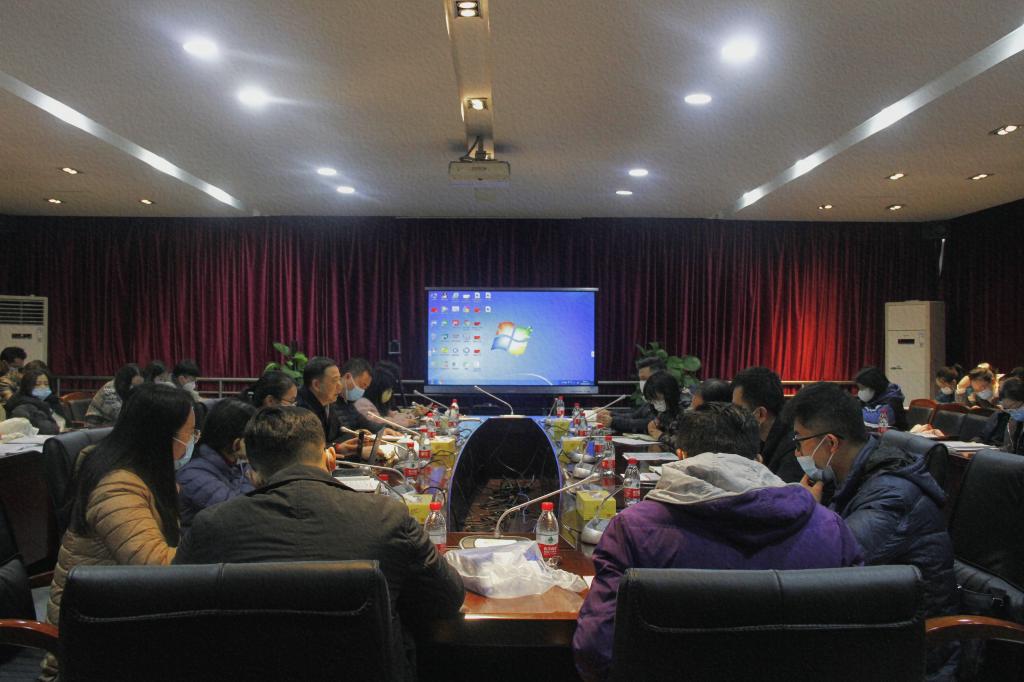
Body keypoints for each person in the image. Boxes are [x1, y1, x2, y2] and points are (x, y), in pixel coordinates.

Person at [573, 402, 863, 681]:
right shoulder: (831, 528)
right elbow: (860, 639)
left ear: (681, 456)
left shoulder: (632, 530)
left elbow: (595, 649)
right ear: (757, 459)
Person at [173, 406, 465, 677]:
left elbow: (177, 615)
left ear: (252, 474)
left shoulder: (212, 526)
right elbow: (447, 599)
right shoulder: (387, 517)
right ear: (329, 458)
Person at [784, 382, 957, 678]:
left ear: (831, 443)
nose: (797, 450)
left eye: (800, 440)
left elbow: (833, 564)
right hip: (875, 621)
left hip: (911, 650)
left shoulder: (891, 495)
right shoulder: (853, 475)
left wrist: (808, 511)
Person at [40, 384, 193, 681]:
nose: (191, 442)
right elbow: (157, 568)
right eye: (189, 434)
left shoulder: (141, 473)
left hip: (118, 618)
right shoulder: (116, 487)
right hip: (87, 647)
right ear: (161, 436)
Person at [176, 398, 257, 527]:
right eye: (253, 440)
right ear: (236, 444)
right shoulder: (193, 475)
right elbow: (239, 513)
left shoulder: (235, 462)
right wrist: (253, 478)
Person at [731, 366, 803, 482]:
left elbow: (782, 491)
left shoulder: (794, 448)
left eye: (737, 409)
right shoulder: (755, 436)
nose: (732, 415)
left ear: (760, 414)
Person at [595, 357, 664, 433]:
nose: (642, 383)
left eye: (644, 379)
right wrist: (610, 414)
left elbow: (647, 424)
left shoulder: (665, 399)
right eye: (640, 380)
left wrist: (613, 422)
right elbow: (634, 415)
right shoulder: (650, 399)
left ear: (658, 377)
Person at [355, 362, 416, 428]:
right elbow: (382, 422)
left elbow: (393, 415)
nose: (391, 393)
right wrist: (406, 422)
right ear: (378, 389)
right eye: (388, 390)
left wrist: (411, 416)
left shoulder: (379, 403)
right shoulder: (363, 403)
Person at [6, 368, 62, 434]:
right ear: (27, 386)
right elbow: (47, 429)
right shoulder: (22, 408)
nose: (43, 387)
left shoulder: (50, 402)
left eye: (46, 384)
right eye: (37, 384)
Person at [854, 366, 908, 430]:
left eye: (862, 388)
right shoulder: (872, 398)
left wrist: (856, 412)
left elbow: (878, 419)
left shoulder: (893, 400)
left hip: (894, 434)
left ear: (874, 386)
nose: (860, 392)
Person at [642, 370, 681, 443]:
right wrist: (653, 428)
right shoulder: (664, 412)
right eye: (652, 400)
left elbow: (684, 444)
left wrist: (661, 436)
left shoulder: (686, 411)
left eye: (657, 399)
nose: (655, 403)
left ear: (669, 394)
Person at [995, 376, 1024, 454]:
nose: (1011, 411)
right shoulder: (1012, 419)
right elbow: (1008, 448)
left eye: (1012, 406)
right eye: (1007, 408)